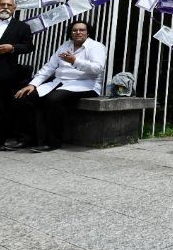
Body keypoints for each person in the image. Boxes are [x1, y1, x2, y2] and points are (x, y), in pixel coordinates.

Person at [14, 20, 107, 152]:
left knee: (52, 100)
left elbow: (97, 68)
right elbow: (49, 67)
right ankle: (28, 139)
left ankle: (52, 142)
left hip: (85, 85)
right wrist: (32, 84)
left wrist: (75, 61)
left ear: (88, 32)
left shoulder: (96, 46)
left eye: (82, 30)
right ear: (70, 33)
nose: (78, 32)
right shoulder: (65, 45)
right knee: (25, 97)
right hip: (60, 82)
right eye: (74, 30)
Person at [0, 0, 34, 151]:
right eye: (1, 5)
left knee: (1, 108)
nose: (5, 7)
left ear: (14, 9)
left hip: (5, 72)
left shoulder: (22, 27)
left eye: (9, 5)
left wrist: (13, 48)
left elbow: (29, 47)